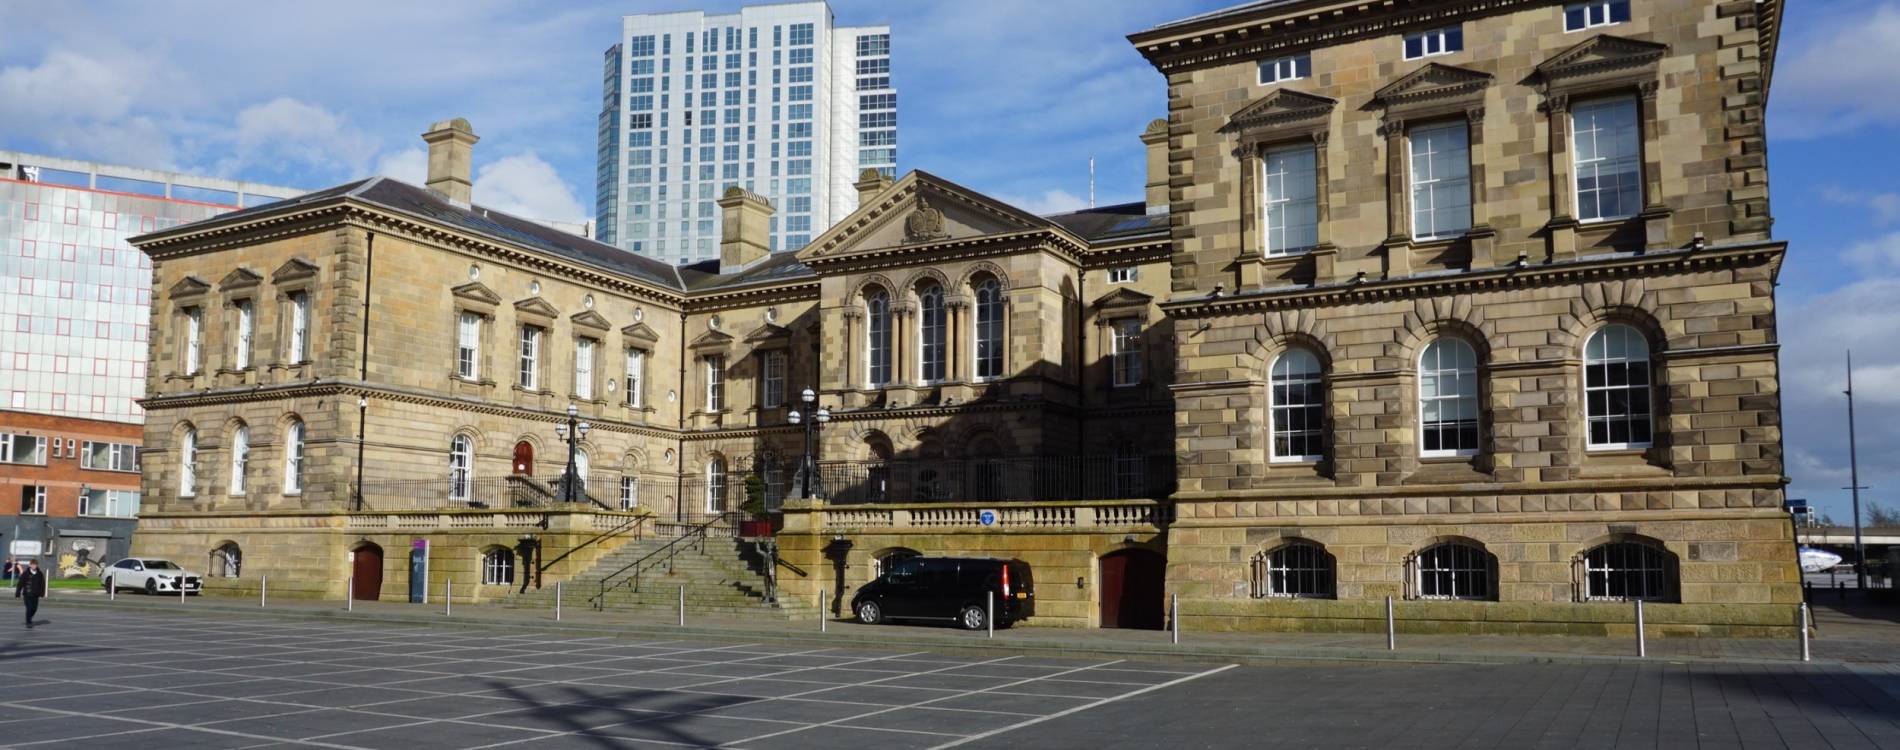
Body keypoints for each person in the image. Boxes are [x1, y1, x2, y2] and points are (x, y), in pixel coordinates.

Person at [15, 559, 47, 629]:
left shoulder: (39, 573)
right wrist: (18, 593)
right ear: (30, 565)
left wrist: (42, 593)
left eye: (35, 565)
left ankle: (29, 617)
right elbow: (20, 583)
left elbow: (42, 584)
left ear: (37, 565)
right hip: (27, 594)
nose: (34, 566)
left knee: (34, 609)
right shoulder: (26, 573)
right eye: (32, 565)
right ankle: (28, 622)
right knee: (29, 608)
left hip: (35, 594)